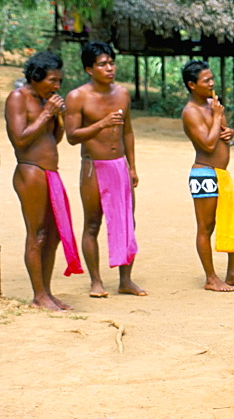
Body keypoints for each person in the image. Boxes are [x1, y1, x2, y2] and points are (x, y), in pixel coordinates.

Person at [64, 41, 145, 298]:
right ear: (89, 69)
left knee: (127, 222)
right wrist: (102, 124)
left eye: (111, 62)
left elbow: (128, 131)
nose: (110, 68)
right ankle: (96, 281)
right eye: (103, 64)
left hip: (119, 165)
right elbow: (72, 136)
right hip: (93, 167)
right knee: (92, 224)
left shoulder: (122, 93)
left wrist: (132, 166)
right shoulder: (77, 97)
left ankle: (125, 280)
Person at [5, 51, 81, 311]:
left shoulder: (44, 100)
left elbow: (53, 139)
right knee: (37, 234)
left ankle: (47, 292)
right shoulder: (18, 98)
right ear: (36, 77)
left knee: (54, 235)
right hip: (30, 171)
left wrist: (58, 116)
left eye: (60, 80)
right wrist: (46, 113)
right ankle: (39, 296)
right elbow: (20, 139)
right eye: (52, 80)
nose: (57, 86)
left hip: (50, 172)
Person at [180, 60, 234, 292]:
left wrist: (228, 129)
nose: (212, 83)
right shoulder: (190, 112)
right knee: (206, 227)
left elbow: (222, 134)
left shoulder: (213, 105)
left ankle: (232, 273)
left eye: (212, 78)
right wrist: (216, 117)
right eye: (207, 81)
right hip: (203, 174)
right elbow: (208, 143)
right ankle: (211, 278)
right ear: (192, 85)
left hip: (222, 175)